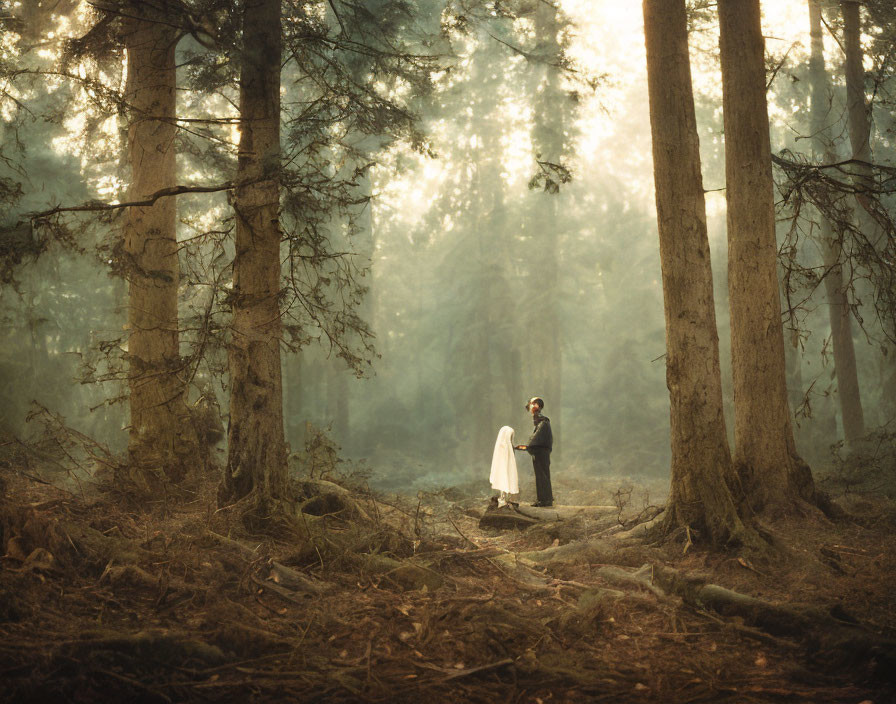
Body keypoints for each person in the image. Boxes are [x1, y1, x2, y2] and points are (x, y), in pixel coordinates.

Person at [514, 397, 554, 507]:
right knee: (541, 475)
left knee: (542, 475)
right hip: (539, 451)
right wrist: (526, 447)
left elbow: (537, 438)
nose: (529, 406)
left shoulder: (543, 421)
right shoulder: (539, 421)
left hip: (541, 452)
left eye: (531, 404)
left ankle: (545, 500)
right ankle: (544, 500)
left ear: (537, 406)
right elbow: (536, 438)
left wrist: (527, 446)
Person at [489, 426, 519, 507]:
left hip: (508, 468)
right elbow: (502, 463)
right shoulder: (502, 447)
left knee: (508, 481)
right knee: (504, 481)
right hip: (504, 469)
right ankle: (502, 500)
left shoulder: (507, 446)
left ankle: (506, 499)